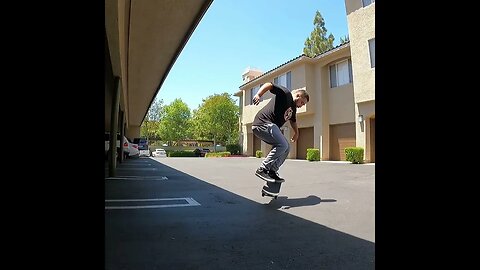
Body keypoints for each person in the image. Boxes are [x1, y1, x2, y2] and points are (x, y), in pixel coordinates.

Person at [251, 82, 309, 182]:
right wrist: (258, 95)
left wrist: (297, 133)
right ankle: (262, 169)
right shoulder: (286, 94)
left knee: (286, 147)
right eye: (302, 103)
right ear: (298, 95)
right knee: (282, 144)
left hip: (269, 127)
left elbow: (293, 121)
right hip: (263, 123)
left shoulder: (293, 110)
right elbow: (269, 85)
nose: (302, 105)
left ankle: (272, 171)